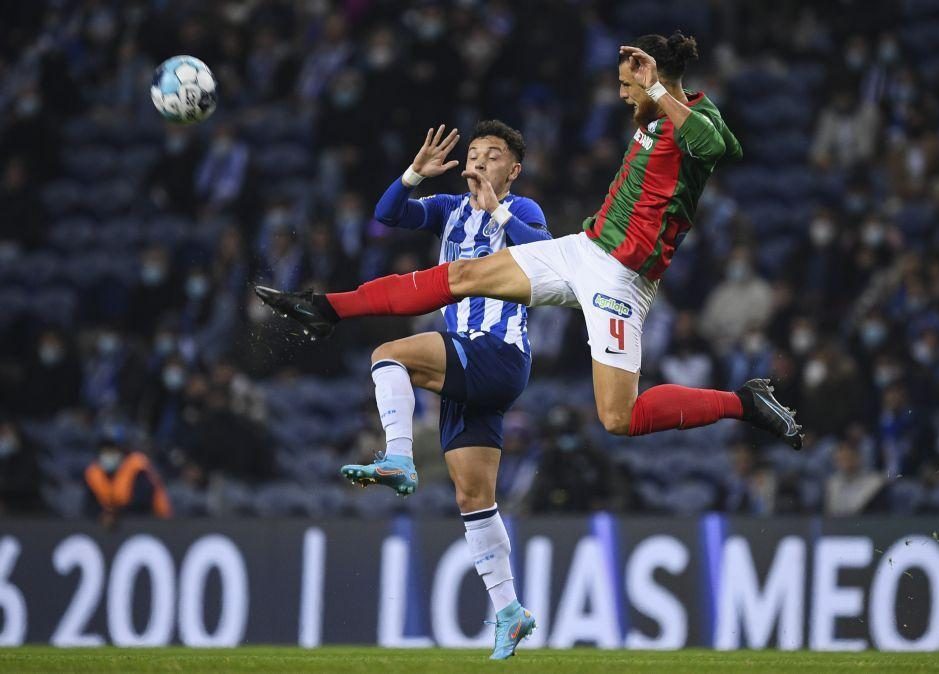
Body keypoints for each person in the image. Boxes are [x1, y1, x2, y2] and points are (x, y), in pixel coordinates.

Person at [257, 32, 804, 453]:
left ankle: (743, 402)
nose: (621, 93)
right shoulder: (657, 115)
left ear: (655, 77)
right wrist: (652, 92)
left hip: (622, 280)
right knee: (465, 274)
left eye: (628, 84)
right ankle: (325, 307)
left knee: (619, 418)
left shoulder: (693, 118)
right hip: (583, 249)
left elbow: (723, 151)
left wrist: (657, 88)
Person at [337, 120, 546, 659]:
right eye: (473, 153)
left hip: (497, 350)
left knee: (387, 355)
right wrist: (412, 175)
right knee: (474, 498)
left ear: (513, 170)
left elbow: (540, 255)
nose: (478, 161)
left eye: (492, 155)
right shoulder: (449, 208)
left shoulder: (522, 212)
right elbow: (387, 216)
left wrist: (498, 205)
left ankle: (400, 458)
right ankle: (510, 612)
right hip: (467, 364)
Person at [84, 428, 172, 526]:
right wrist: (102, 515)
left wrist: (116, 514)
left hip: (152, 522)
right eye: (105, 450)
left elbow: (143, 502)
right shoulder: (94, 471)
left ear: (122, 450)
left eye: (112, 449)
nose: (108, 454)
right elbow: (89, 506)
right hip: (112, 524)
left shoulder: (137, 466)